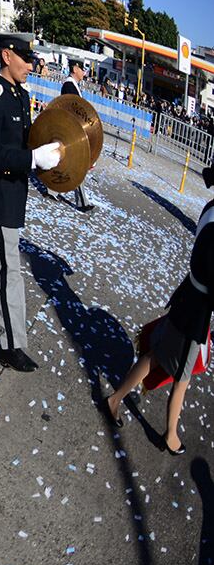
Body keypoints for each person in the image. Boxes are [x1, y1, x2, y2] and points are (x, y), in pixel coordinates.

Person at [0, 33, 62, 372]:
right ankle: (11, 344)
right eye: (26, 59)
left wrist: (62, 154)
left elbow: (25, 143)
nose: (32, 66)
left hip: (12, 192)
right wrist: (32, 159)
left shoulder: (19, 95)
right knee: (10, 267)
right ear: (7, 56)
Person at [104, 166, 214, 454]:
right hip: (196, 310)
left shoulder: (211, 209)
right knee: (182, 377)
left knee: (157, 356)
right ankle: (171, 435)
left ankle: (116, 399)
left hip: (188, 298)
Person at [46, 60, 94, 212]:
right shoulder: (69, 86)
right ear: (75, 69)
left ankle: (56, 191)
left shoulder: (73, 85)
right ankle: (79, 200)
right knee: (75, 163)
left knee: (69, 162)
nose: (84, 73)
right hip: (70, 131)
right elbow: (73, 109)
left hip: (72, 130)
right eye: (82, 69)